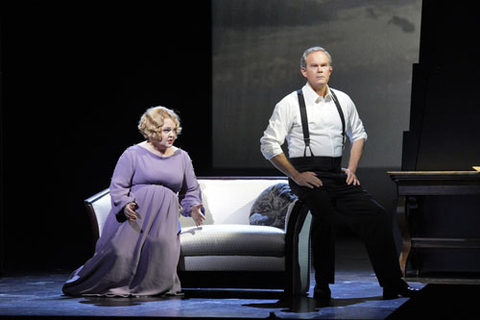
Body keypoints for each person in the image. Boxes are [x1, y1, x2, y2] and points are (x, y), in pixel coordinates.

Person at [260, 46, 418, 301]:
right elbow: (268, 144)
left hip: (336, 173)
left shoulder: (342, 100)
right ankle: (323, 284)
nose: (319, 70)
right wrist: (297, 176)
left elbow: (359, 134)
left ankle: (392, 283)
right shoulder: (290, 103)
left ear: (330, 70)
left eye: (324, 65)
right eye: (314, 66)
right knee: (324, 213)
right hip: (306, 173)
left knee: (376, 215)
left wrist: (352, 169)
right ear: (304, 71)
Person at [62, 106, 206, 297]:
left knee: (160, 247)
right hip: (135, 215)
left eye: (173, 130)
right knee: (119, 253)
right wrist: (124, 204)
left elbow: (191, 188)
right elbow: (118, 185)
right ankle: (97, 282)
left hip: (164, 218)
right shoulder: (133, 154)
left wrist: (193, 207)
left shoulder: (182, 157)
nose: (171, 135)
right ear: (152, 131)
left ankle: (148, 288)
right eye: (166, 130)